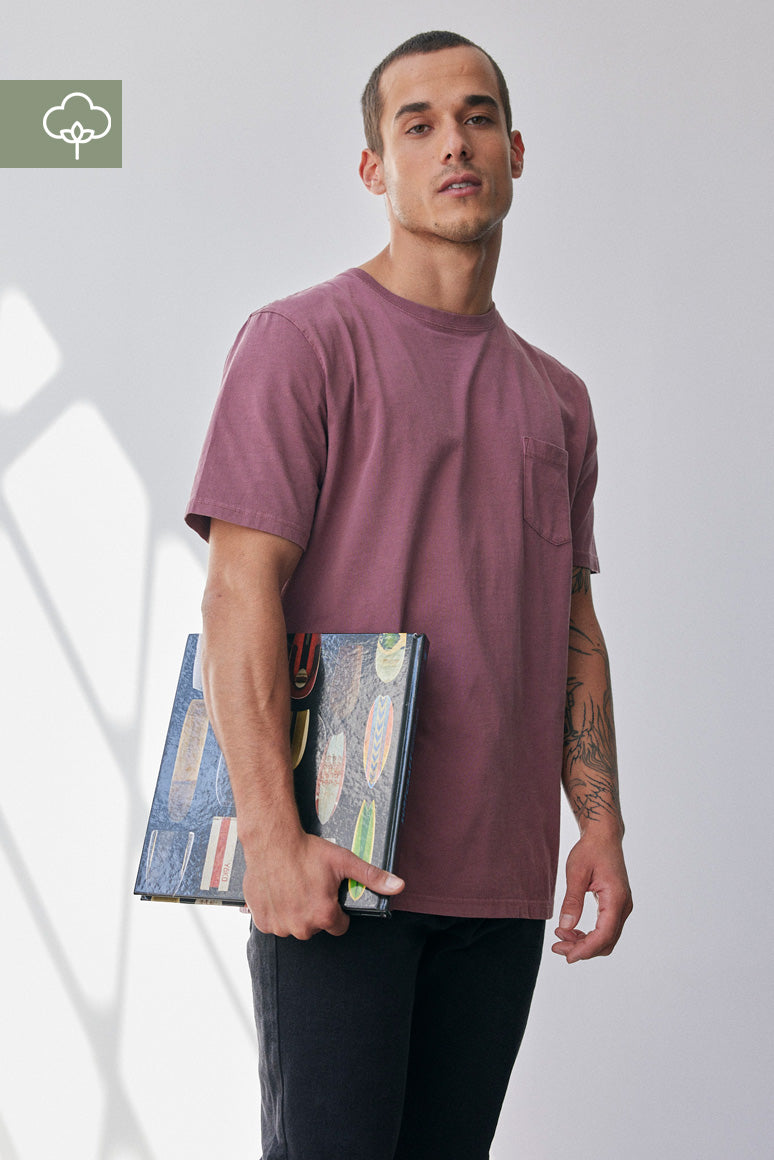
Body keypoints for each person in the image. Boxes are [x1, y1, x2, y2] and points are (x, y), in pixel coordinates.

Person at [185, 29, 632, 1160]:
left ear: (516, 151)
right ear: (374, 167)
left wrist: (601, 825)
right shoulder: (300, 343)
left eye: (478, 118)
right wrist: (272, 843)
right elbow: (238, 593)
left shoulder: (560, 400)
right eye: (419, 124)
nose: (455, 144)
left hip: (502, 887)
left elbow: (570, 624)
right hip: (341, 872)